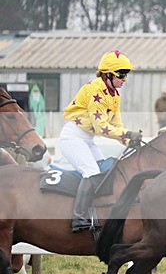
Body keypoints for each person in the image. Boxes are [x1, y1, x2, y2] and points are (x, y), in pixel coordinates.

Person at [58, 50, 142, 231]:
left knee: (105, 172)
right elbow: (100, 127)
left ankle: (96, 212)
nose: (125, 79)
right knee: (91, 172)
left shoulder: (114, 95)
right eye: (122, 74)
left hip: (87, 140)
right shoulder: (96, 90)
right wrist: (128, 134)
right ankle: (78, 218)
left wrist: (130, 142)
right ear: (108, 74)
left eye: (126, 74)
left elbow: (117, 125)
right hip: (72, 138)